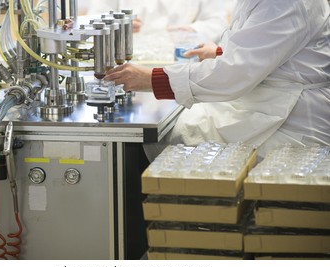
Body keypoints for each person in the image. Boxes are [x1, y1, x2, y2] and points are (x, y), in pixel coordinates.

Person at [104, 0, 330, 158]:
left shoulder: (283, 3)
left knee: (168, 135)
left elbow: (233, 75)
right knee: (183, 122)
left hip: (290, 121)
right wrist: (222, 52)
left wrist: (151, 79)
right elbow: (270, 45)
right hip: (266, 101)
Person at [87, 0, 228, 43]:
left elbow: (218, 23)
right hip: (127, 62)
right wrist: (116, 26)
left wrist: (195, 30)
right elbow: (94, 19)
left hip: (181, 63)